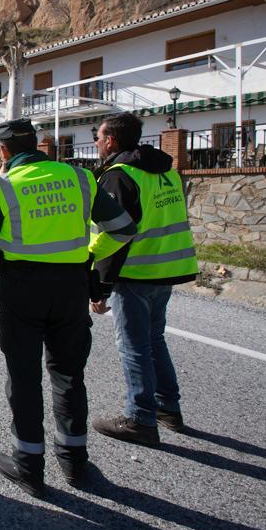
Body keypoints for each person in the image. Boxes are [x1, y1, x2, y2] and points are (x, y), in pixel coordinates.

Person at [0, 118, 137, 497]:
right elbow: (123, 228)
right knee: (68, 374)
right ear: (37, 144)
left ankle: (29, 466)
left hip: (21, 289)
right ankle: (74, 460)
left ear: (3, 151)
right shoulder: (79, 178)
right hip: (70, 287)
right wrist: (90, 257)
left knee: (24, 376)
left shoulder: (4, 186)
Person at [89, 113, 198, 445]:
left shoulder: (119, 176)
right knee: (154, 340)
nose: (95, 141)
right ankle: (168, 408)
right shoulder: (166, 171)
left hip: (135, 272)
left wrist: (97, 281)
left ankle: (140, 419)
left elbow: (116, 234)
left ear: (111, 141)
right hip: (167, 269)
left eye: (99, 136)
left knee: (133, 345)